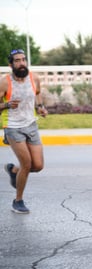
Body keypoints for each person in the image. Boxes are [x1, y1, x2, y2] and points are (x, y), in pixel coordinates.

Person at [1, 49, 48, 214]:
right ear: (11, 65)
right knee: (27, 164)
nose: (21, 63)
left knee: (38, 165)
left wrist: (40, 107)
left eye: (23, 60)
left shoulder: (33, 78)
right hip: (13, 126)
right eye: (17, 60)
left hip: (31, 124)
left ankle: (14, 170)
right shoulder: (5, 82)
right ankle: (18, 201)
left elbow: (37, 94)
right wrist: (6, 105)